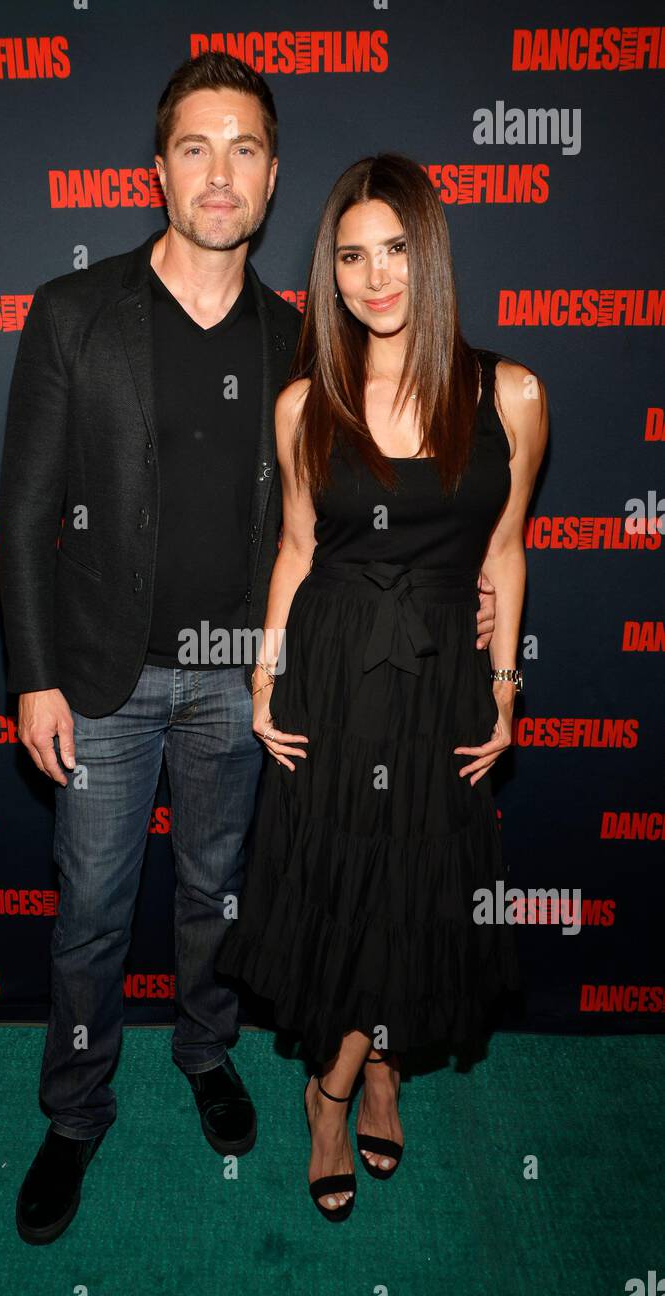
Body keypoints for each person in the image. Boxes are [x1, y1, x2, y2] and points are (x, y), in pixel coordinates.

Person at [0, 52, 496, 1247]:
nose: (218, 173)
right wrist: (30, 675)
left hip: (247, 680)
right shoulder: (73, 315)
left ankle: (206, 1052)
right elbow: (21, 516)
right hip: (101, 678)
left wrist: (460, 594)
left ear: (271, 181)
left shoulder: (304, 344)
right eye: (193, 146)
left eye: (244, 150)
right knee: (91, 914)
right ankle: (73, 1111)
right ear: (157, 167)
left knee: (217, 898)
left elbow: (381, 497)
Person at [216, 153, 549, 1221]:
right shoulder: (302, 402)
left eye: (395, 250)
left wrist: (502, 689)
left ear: (430, 253)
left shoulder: (510, 393)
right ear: (329, 271)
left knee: (416, 883)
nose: (374, 277)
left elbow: (503, 552)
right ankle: (342, 1087)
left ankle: (366, 1068)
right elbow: (297, 550)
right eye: (351, 256)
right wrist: (263, 683)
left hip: (442, 673)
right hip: (334, 668)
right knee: (347, 880)